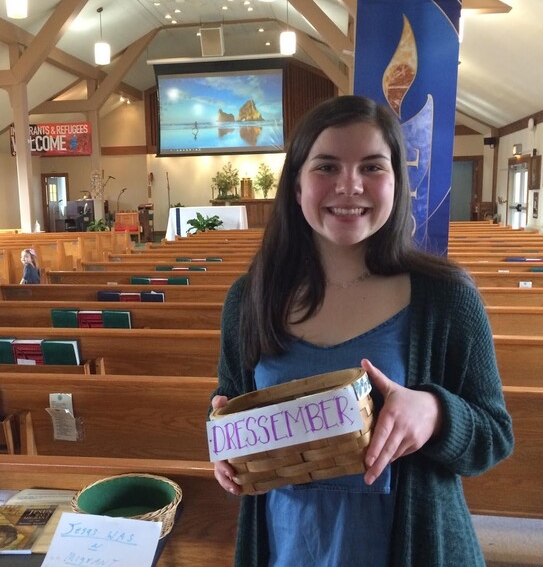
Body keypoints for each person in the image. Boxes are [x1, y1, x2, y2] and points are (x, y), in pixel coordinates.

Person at [210, 95, 514, 567]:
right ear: (295, 185)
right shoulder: (250, 298)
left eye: (372, 167)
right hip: (288, 545)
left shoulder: (445, 297)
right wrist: (223, 445)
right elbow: (230, 398)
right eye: (327, 167)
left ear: (396, 183)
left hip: (407, 546)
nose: (349, 186)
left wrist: (434, 412)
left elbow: (493, 436)